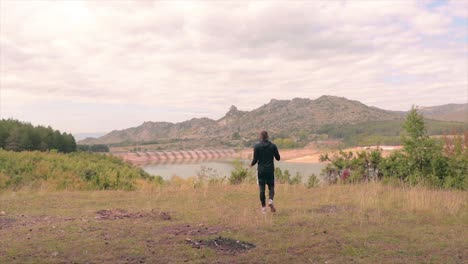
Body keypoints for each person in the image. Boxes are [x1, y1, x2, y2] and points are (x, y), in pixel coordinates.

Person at [250, 130, 280, 213]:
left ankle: (263, 209)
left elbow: (255, 160)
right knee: (271, 187)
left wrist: (251, 164)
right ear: (267, 136)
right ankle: (270, 200)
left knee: (262, 189)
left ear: (260, 137)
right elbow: (278, 158)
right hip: (270, 170)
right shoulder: (273, 146)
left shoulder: (256, 146)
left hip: (261, 171)